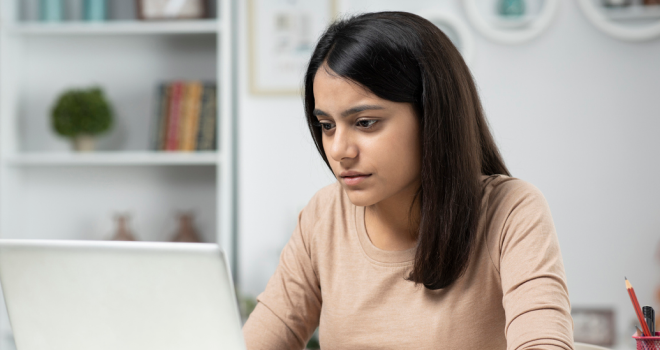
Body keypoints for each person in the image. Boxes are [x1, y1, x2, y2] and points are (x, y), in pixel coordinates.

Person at [243, 12, 573, 350]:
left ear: (433, 116)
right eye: (327, 126)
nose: (339, 150)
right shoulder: (324, 215)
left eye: (366, 122)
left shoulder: (511, 211)